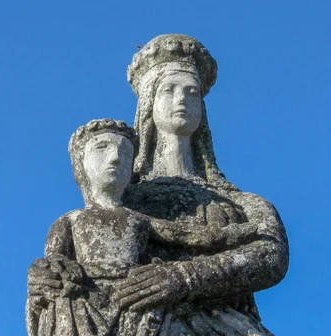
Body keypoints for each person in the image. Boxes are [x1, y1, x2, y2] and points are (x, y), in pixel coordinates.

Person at [113, 34, 289, 334]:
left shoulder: (244, 203)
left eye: (192, 92)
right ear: (148, 104)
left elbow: (271, 255)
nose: (182, 99)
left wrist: (184, 278)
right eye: (169, 90)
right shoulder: (125, 200)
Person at [26, 118, 259, 336]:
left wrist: (231, 234)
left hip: (133, 297)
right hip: (84, 299)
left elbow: (186, 235)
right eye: (101, 148)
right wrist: (53, 270)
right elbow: (54, 260)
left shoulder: (138, 218)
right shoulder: (71, 219)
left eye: (124, 152)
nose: (115, 158)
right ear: (81, 162)